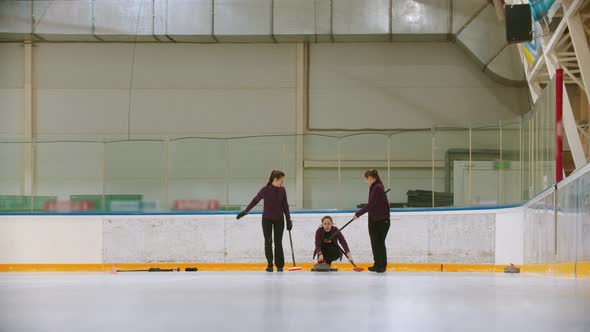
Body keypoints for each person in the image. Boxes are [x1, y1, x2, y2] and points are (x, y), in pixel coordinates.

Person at [236, 170, 292, 272]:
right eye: (281, 181)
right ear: (275, 179)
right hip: (267, 219)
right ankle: (270, 264)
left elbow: (285, 206)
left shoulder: (282, 190)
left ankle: (280, 266)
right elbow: (255, 200)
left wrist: (288, 220)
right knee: (268, 241)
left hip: (279, 220)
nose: (282, 183)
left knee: (278, 242)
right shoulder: (265, 190)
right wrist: (246, 211)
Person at [353, 169, 390, 273]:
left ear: (370, 177)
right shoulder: (373, 187)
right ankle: (377, 264)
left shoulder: (378, 187)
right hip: (374, 220)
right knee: (375, 243)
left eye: (366, 179)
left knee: (379, 243)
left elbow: (371, 205)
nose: (366, 182)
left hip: (382, 221)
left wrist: (358, 214)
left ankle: (382, 266)